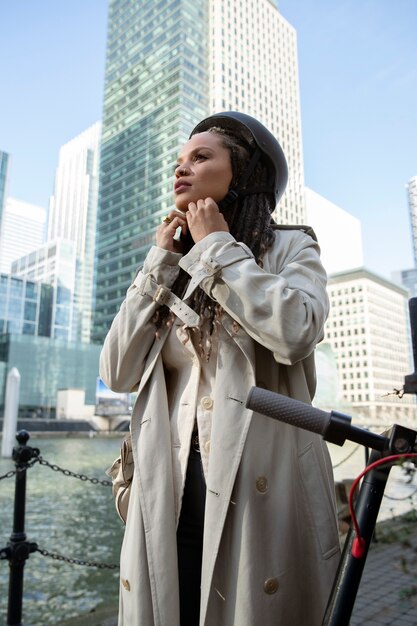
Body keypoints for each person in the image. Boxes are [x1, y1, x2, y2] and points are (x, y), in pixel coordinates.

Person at [100, 111, 341, 626]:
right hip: (167, 486)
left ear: (245, 173)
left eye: (201, 157)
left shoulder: (290, 247)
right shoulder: (169, 265)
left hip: (258, 485)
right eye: (179, 161)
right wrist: (157, 265)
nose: (181, 170)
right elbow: (118, 371)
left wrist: (216, 248)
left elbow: (296, 331)